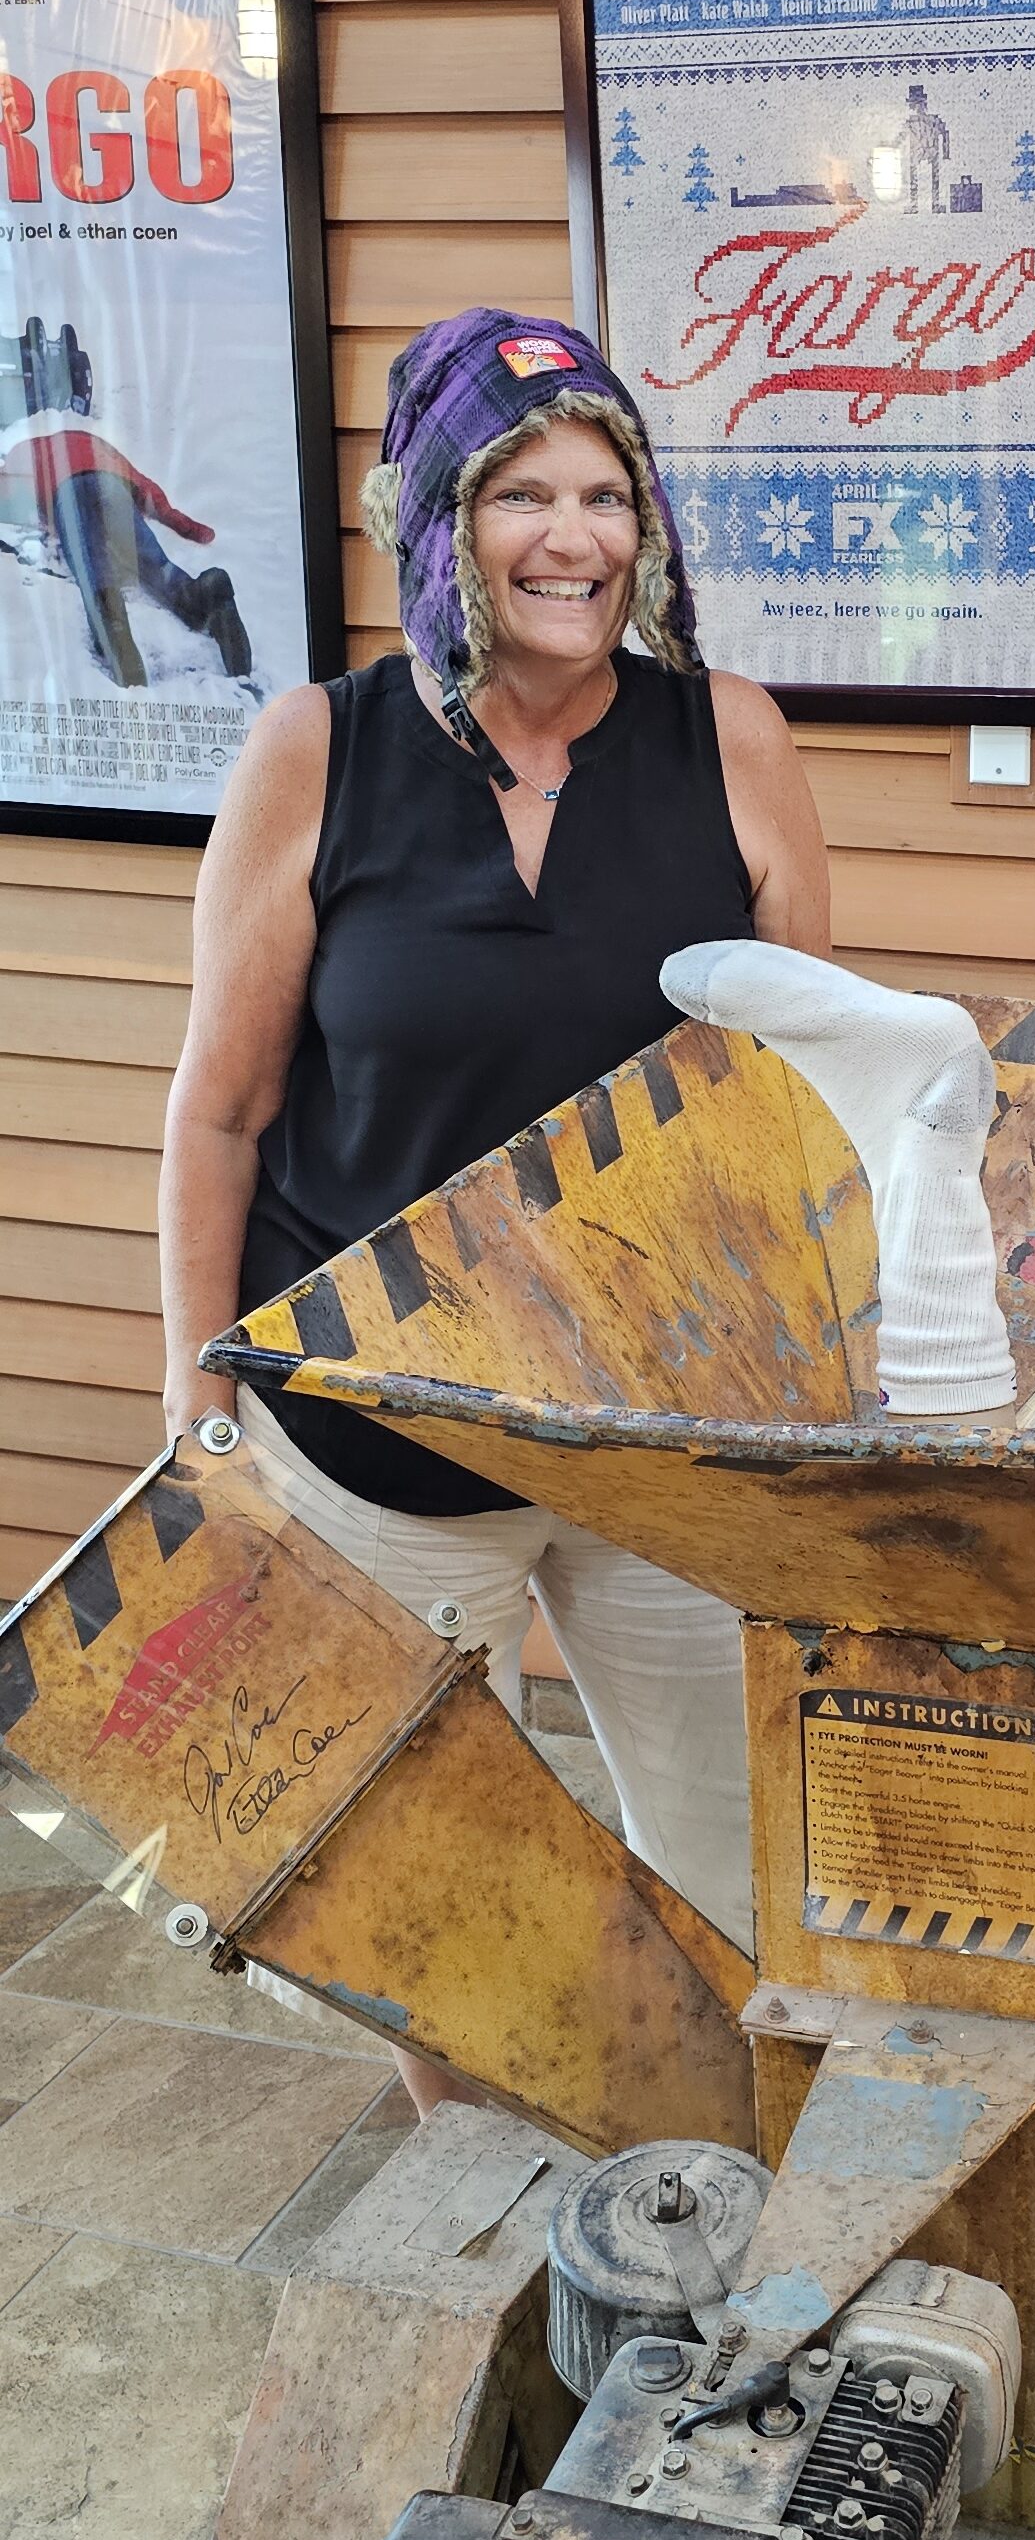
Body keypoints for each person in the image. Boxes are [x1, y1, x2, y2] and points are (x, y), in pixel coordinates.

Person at [158, 308, 830, 2112]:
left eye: (608, 494)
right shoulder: (319, 751)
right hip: (369, 1430)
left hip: (661, 1427)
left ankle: (709, 2179)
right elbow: (223, 1111)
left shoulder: (731, 740)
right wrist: (200, 1401)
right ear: (436, 521)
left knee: (741, 1870)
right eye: (520, 493)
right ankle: (491, 2200)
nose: (574, 538)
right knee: (430, 1901)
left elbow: (804, 1090)